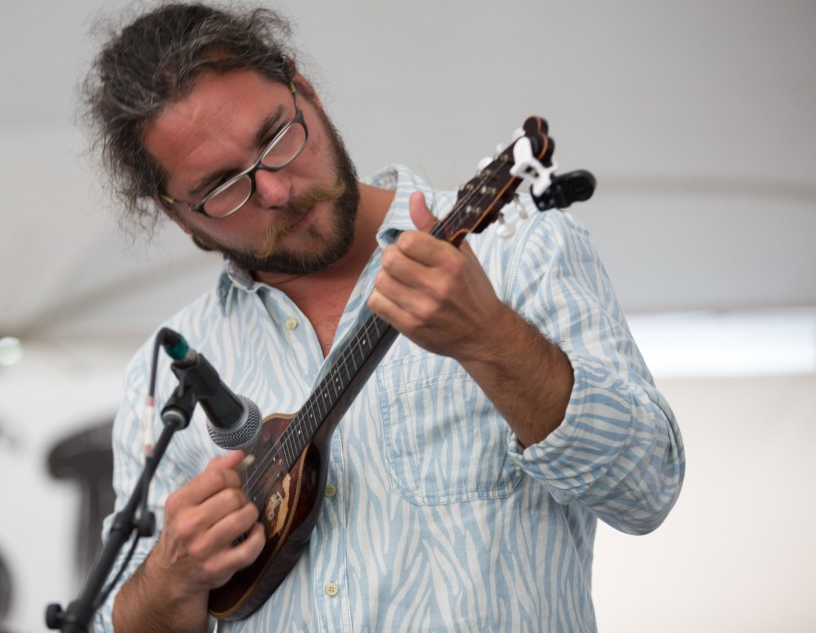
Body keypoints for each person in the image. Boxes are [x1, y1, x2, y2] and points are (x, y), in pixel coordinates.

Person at [83, 4, 685, 632]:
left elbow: (646, 489)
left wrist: (489, 338)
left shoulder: (516, 252)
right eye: (223, 187)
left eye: (277, 138)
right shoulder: (167, 369)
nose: (277, 191)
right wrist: (170, 576)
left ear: (305, 90)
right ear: (179, 215)